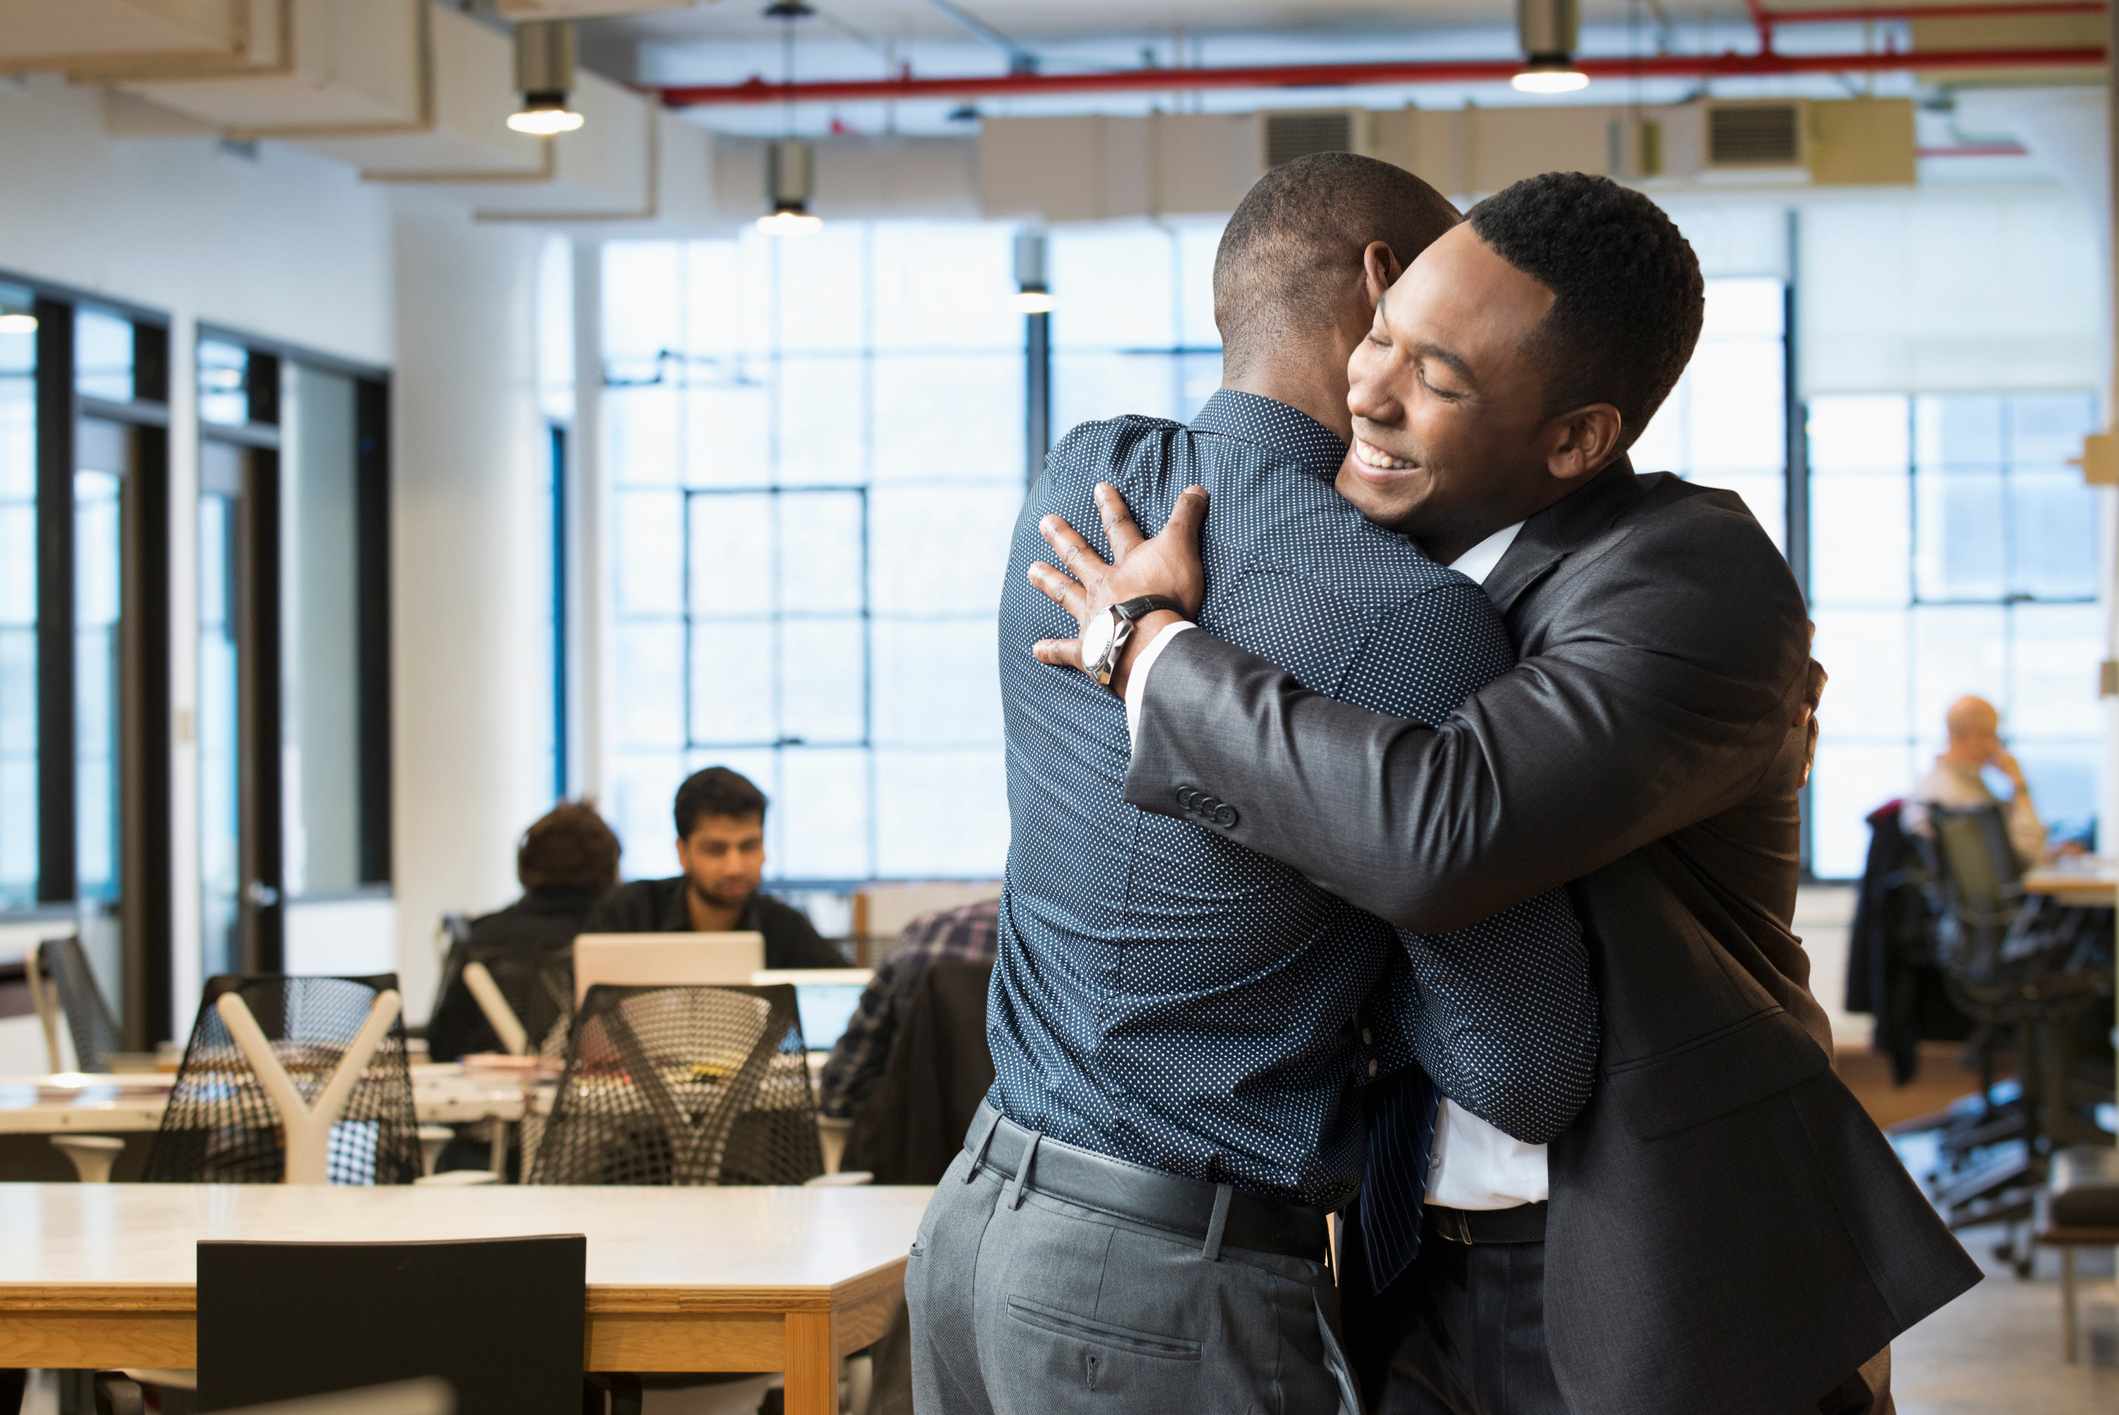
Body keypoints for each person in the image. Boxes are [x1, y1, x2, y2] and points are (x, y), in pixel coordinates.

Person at [1025, 171, 1980, 1415]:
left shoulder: (1688, 578)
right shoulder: (1377, 561)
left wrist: (1146, 649)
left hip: (1669, 1259)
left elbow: (1432, 833)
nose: (1365, 390)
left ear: (1576, 437)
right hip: (1409, 1261)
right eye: (1380, 335)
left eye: (1438, 377)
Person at [908, 154, 1599, 1415]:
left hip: (974, 1229)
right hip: (1161, 1290)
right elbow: (1523, 1062)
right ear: (1385, 297)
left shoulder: (1085, 475)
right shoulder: (1410, 623)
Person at [584, 766, 844, 968]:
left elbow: (842, 998)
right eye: (716, 850)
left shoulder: (786, 928)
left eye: (749, 846)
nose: (735, 867)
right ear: (682, 852)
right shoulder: (629, 913)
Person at [426, 801, 619, 1061]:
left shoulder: (480, 936)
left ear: (525, 865)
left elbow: (442, 1046)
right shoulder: (618, 937)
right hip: (597, 1093)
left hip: (487, 1094)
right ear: (610, 869)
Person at [818, 896, 999, 1122]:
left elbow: (841, 1088)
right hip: (1013, 1146)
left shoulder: (927, 932)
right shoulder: (1046, 945)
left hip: (909, 1140)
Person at [1903, 694, 2051, 866]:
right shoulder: (1954, 798)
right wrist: (2019, 786)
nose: (1997, 745)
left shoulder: (1951, 784)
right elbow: (2029, 853)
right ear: (1974, 736)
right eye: (1993, 735)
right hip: (1991, 892)